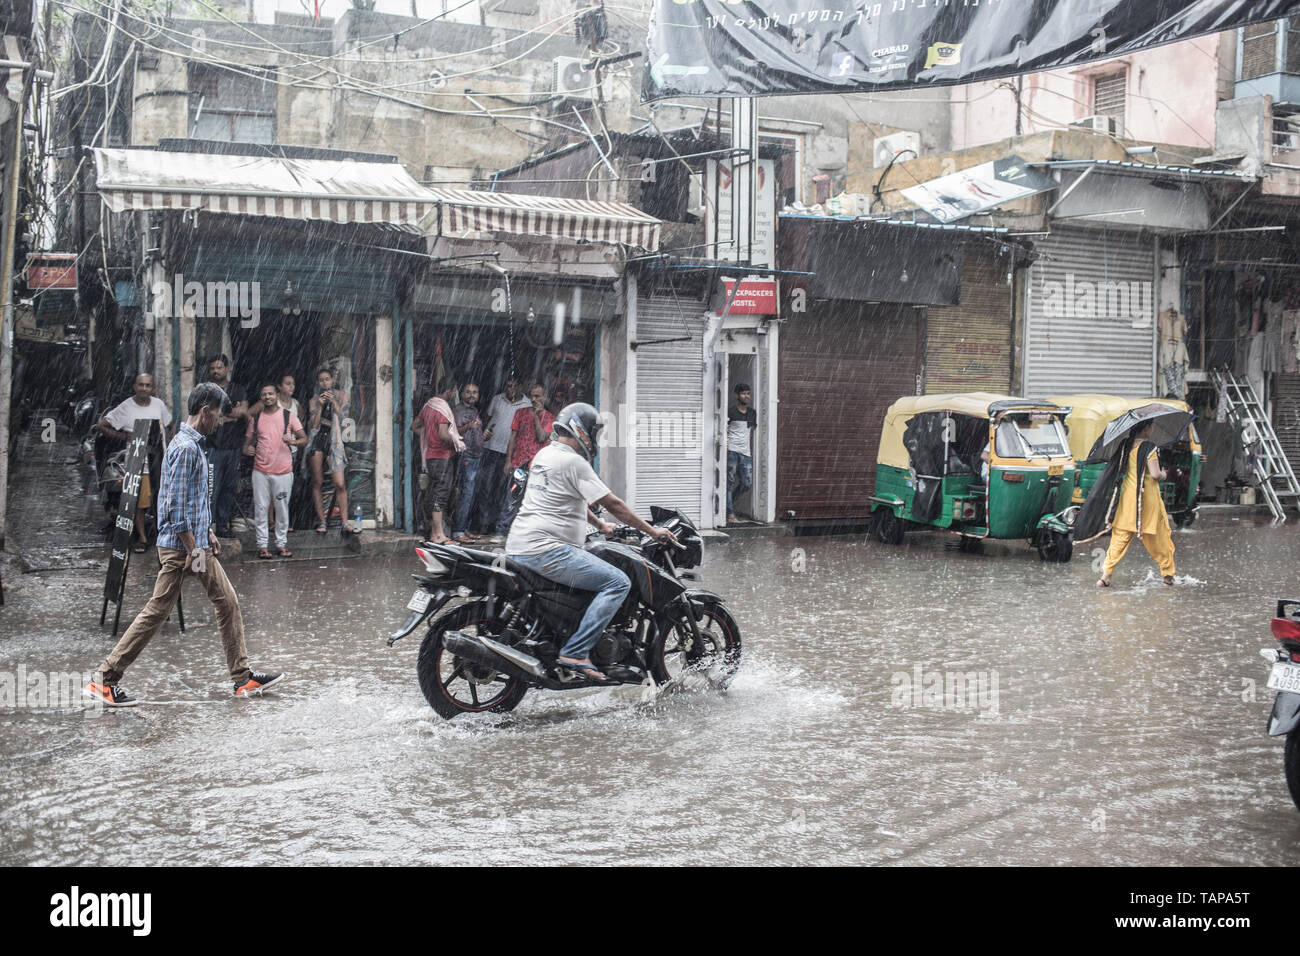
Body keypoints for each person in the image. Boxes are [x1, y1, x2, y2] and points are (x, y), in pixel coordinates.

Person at [83, 383, 284, 707]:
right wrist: (194, 549)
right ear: (205, 412)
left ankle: (242, 677)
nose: (220, 422)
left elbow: (192, 501)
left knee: (222, 602)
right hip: (182, 550)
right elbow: (175, 508)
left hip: (192, 545)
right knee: (162, 612)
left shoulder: (191, 445)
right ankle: (104, 679)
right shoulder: (186, 448)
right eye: (218, 415)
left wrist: (209, 535)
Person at [506, 403, 677, 680]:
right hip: (548, 551)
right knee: (618, 581)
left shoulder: (544, 455)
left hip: (520, 546)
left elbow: (568, 497)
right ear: (581, 430)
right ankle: (576, 651)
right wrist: (651, 531)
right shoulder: (574, 461)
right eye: (594, 433)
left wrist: (599, 524)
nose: (594, 439)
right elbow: (614, 504)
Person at [95, 373, 174, 553]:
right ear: (135, 387)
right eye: (141, 385)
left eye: (147, 385)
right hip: (137, 462)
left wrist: (173, 443)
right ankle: (142, 538)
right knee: (139, 502)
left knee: (161, 498)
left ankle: (164, 536)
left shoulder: (158, 405)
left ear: (152, 388)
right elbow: (102, 425)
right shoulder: (126, 407)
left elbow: (170, 424)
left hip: (158, 459)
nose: (144, 389)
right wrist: (124, 436)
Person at [1097, 421, 1177, 588]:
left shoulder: (1126, 445)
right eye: (1152, 426)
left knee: (1120, 537)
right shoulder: (1149, 448)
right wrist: (1164, 474)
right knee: (1158, 538)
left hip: (1127, 498)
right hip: (1146, 499)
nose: (1153, 429)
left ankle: (1105, 576)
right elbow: (1155, 474)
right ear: (1146, 428)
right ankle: (1168, 575)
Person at [243, 383, 307, 559]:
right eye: (264, 395)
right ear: (261, 398)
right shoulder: (256, 419)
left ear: (276, 396)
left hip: (284, 471)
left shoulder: (289, 416)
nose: (267, 397)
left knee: (282, 508)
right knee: (261, 508)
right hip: (260, 471)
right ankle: (263, 546)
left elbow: (304, 439)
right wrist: (247, 449)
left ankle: (281, 544)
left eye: (270, 394)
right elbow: (246, 444)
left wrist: (292, 441)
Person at [493, 383, 554, 540]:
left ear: (544, 398)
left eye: (537, 396)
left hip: (538, 465)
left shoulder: (549, 418)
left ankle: (530, 534)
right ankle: (502, 531)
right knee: (512, 498)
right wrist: (508, 461)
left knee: (535, 500)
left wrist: (535, 416)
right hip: (519, 463)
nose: (533, 400)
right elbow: (512, 438)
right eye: (532, 396)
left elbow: (541, 437)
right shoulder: (520, 413)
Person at [413, 377, 465, 544]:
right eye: (454, 390)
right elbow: (443, 434)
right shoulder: (442, 408)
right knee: (440, 495)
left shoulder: (429, 406)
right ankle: (439, 535)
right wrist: (456, 441)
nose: (454, 393)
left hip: (430, 457)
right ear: (450, 390)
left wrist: (427, 436)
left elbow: (414, 425)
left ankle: (434, 533)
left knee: (434, 493)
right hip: (442, 457)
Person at [477, 376, 529, 533]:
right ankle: (485, 523)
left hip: (509, 453)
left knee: (503, 489)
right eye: (508, 386)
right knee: (486, 487)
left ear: (520, 387)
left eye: (513, 386)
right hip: (490, 449)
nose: (510, 389)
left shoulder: (527, 404)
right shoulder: (497, 399)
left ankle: (498, 523)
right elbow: (486, 419)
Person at [205, 355, 250, 538]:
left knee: (229, 487)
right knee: (210, 488)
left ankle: (222, 525)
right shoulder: (206, 391)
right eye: (213, 368)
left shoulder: (237, 389)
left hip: (233, 446)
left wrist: (223, 414)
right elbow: (206, 415)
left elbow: (244, 411)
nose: (216, 371)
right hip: (212, 446)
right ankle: (207, 527)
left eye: (219, 367)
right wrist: (232, 413)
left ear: (227, 368)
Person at [307, 367, 351, 535]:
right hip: (319, 440)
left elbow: (345, 420)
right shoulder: (314, 400)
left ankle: (345, 522)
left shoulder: (342, 396)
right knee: (317, 482)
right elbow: (314, 425)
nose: (325, 383)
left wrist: (333, 403)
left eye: (327, 379)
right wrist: (319, 406)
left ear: (332, 380)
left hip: (336, 439)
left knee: (339, 483)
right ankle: (322, 520)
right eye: (321, 380)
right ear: (318, 383)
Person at [450, 382, 485, 543]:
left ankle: (463, 528)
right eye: (468, 392)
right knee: (465, 494)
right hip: (466, 456)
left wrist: (484, 436)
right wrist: (469, 426)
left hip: (476, 456)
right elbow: (454, 433)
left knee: (471, 494)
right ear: (462, 394)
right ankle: (458, 531)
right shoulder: (458, 411)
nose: (472, 395)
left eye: (475, 392)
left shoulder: (474, 410)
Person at [726, 382, 757, 524]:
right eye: (744, 393)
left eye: (748, 393)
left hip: (745, 453)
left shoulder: (752, 412)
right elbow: (724, 430)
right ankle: (730, 513)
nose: (747, 396)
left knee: (746, 483)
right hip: (732, 451)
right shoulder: (730, 412)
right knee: (729, 482)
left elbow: (751, 431)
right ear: (737, 395)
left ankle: (727, 504)